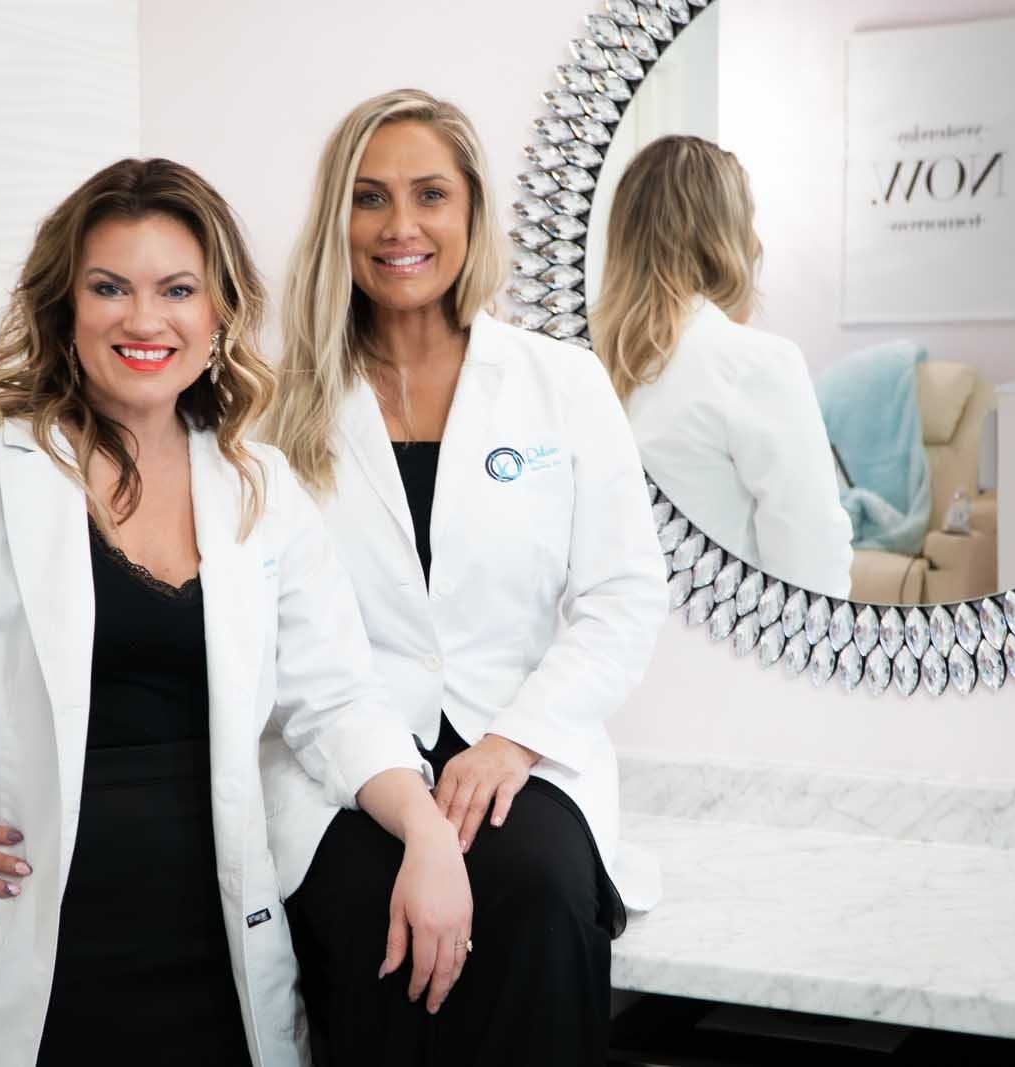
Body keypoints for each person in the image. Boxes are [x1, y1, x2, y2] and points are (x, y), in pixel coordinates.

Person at [0, 158, 470, 1067]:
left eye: (178, 289)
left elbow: (336, 701)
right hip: (30, 971)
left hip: (217, 959)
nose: (146, 319)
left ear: (218, 314)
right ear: (66, 311)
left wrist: (426, 832)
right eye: (110, 288)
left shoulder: (262, 489)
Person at [265, 89, 667, 1066]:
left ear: (471, 214)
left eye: (429, 195)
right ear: (337, 222)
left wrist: (511, 741)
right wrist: (404, 792)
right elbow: (280, 636)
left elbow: (622, 596)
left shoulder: (558, 384)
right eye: (369, 198)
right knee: (366, 904)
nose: (400, 226)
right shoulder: (279, 411)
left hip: (520, 741)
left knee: (531, 887)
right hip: (344, 760)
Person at [592, 135, 854, 598]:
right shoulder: (756, 365)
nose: (757, 241)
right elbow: (813, 567)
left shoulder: (574, 361)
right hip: (728, 658)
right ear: (722, 238)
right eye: (748, 220)